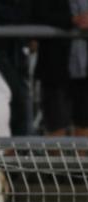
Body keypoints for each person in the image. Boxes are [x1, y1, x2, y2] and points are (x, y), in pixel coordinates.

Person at [35, 0, 88, 137]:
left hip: (84, 72)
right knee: (55, 127)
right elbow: (36, 14)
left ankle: (82, 160)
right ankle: (55, 160)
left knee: (84, 125)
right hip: (54, 69)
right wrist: (72, 20)